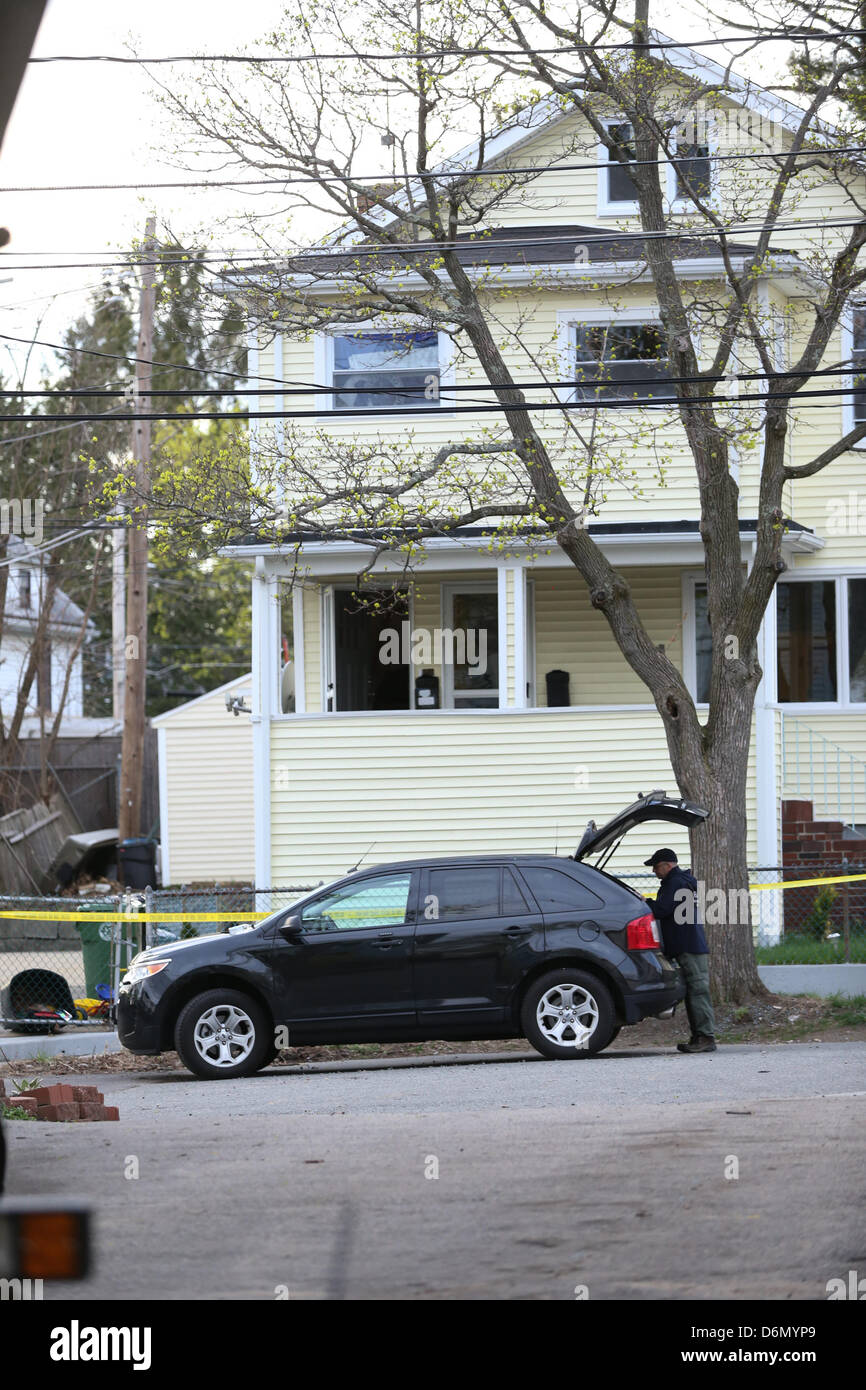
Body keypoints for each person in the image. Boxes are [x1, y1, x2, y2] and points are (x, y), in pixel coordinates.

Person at [643, 848, 717, 1054]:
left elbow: (662, 910)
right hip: (688, 944)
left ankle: (705, 1037)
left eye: (656, 867)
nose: (654, 872)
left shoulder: (675, 882)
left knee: (698, 991)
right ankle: (699, 1037)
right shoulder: (681, 881)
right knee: (694, 990)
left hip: (688, 946)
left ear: (668, 865)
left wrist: (644, 902)